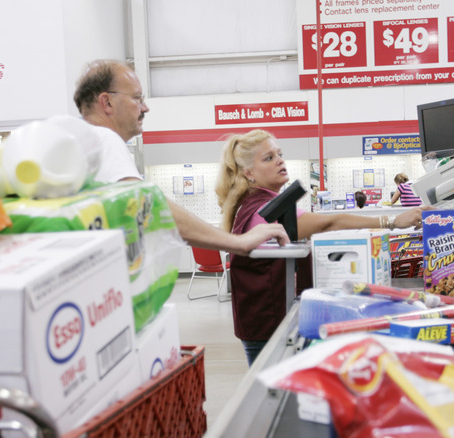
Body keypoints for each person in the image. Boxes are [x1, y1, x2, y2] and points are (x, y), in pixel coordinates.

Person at [215, 129, 432, 365]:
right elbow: (328, 222)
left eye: (279, 154)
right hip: (268, 327)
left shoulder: (263, 204)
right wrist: (392, 221)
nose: (279, 160)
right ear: (248, 173)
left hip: (266, 322)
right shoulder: (262, 211)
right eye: (268, 158)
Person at [73, 59, 288, 255]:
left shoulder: (81, 145)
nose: (145, 107)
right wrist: (238, 242)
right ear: (107, 102)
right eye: (137, 98)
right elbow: (146, 204)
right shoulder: (104, 140)